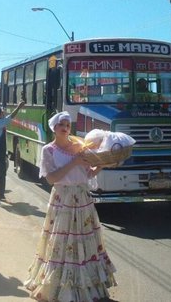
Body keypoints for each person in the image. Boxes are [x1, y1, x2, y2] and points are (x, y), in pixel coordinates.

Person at [24, 111, 117, 301]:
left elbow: (88, 174)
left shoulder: (79, 146)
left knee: (85, 241)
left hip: (82, 199)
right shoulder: (48, 150)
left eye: (67, 125)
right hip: (63, 199)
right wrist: (74, 161)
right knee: (61, 243)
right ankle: (60, 285)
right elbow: (52, 178)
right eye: (61, 125)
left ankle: (87, 284)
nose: (66, 128)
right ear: (54, 129)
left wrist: (104, 165)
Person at [0, 101, 25, 203]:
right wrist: (18, 107)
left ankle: (0, 194)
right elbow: (11, 116)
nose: (4, 114)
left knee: (1, 173)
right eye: (2, 113)